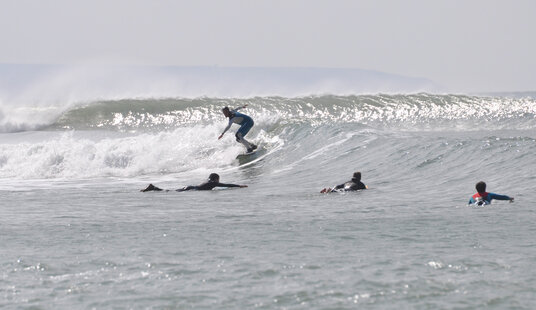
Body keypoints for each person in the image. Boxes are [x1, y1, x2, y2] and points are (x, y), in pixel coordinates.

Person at [141, 173, 247, 192]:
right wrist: (239, 185)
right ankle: (153, 188)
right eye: (218, 179)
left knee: (170, 191)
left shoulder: (208, 181)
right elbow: (226, 185)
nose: (219, 181)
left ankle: (153, 188)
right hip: (192, 189)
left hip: (190, 187)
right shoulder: (213, 183)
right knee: (169, 192)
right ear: (216, 179)